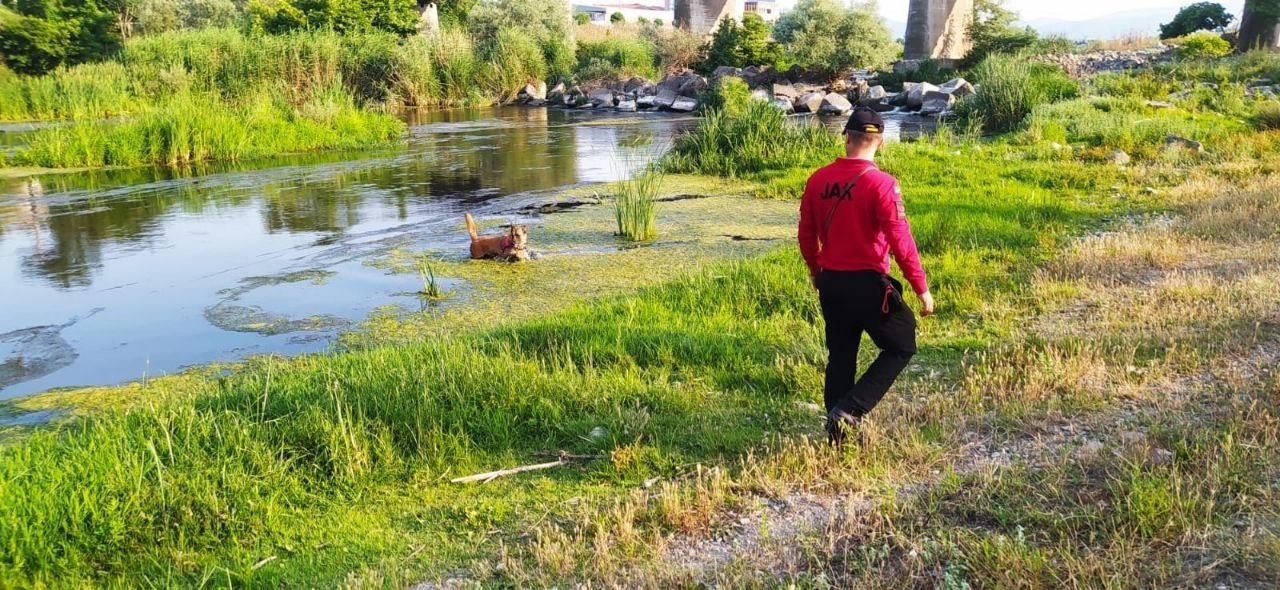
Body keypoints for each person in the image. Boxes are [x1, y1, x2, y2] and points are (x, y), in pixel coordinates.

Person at [797, 107, 935, 445]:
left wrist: (817, 272)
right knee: (902, 345)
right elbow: (901, 241)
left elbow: (805, 235)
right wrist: (922, 289)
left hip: (832, 281)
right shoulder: (883, 184)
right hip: (868, 284)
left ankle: (838, 435)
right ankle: (851, 410)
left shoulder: (818, 179)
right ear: (881, 142)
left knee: (841, 354)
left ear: (847, 137)